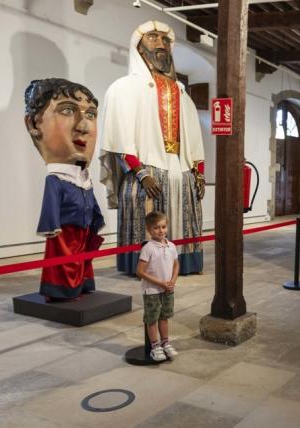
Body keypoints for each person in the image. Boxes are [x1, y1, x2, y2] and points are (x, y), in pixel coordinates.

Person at [99, 21, 205, 276]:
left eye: (166, 40)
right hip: (144, 171)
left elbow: (193, 136)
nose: (161, 43)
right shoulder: (123, 88)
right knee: (145, 219)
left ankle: (184, 264)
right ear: (138, 46)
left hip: (180, 169)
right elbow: (119, 136)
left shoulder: (181, 91)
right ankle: (144, 267)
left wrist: (198, 172)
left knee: (185, 220)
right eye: (152, 37)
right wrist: (140, 172)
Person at [24, 78, 105, 300]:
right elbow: (50, 205)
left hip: (84, 228)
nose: (83, 125)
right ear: (33, 124)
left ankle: (82, 284)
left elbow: (91, 200)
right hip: (64, 232)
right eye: (67, 110)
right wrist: (52, 227)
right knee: (64, 262)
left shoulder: (83, 178)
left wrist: (96, 219)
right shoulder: (56, 178)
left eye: (90, 114)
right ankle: (60, 289)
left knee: (83, 259)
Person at [137, 211, 179, 362]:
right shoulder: (148, 248)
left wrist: (172, 281)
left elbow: (176, 265)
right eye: (156, 228)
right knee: (152, 318)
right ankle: (155, 346)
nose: (161, 230)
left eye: (163, 226)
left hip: (168, 289)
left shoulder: (172, 246)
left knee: (164, 317)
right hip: (152, 291)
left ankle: (165, 342)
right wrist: (159, 283)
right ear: (149, 230)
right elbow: (140, 271)